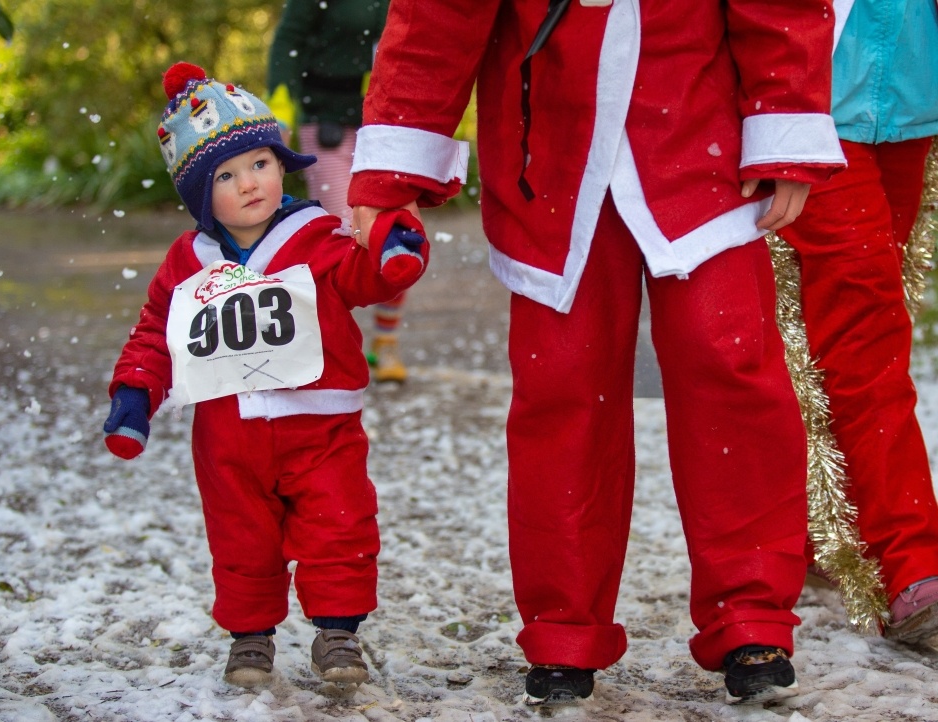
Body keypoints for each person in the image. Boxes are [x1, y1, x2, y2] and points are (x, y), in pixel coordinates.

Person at [347, 0, 846, 707]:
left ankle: (754, 619)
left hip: (705, 145)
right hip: (549, 158)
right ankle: (562, 632)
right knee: (563, 391)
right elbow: (437, 18)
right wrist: (393, 172)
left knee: (732, 373)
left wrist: (784, 123)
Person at [101, 62, 428, 689]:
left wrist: (391, 254)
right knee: (241, 535)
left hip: (321, 424)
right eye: (225, 176)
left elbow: (357, 277)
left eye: (259, 163)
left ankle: (338, 632)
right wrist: (135, 394)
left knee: (339, 524)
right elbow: (157, 331)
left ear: (283, 163)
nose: (249, 183)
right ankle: (250, 637)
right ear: (200, 196)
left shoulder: (317, 235)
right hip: (228, 433)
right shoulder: (187, 260)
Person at [775, 0, 938, 643]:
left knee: (840, 332)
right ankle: (912, 564)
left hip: (911, 103)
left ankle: (815, 529)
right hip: (809, 110)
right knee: (864, 336)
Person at [266, 0, 411, 383]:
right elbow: (287, 42)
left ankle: (385, 341)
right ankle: (328, 343)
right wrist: (280, 108)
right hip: (326, 118)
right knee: (345, 232)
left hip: (381, 122)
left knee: (394, 226)